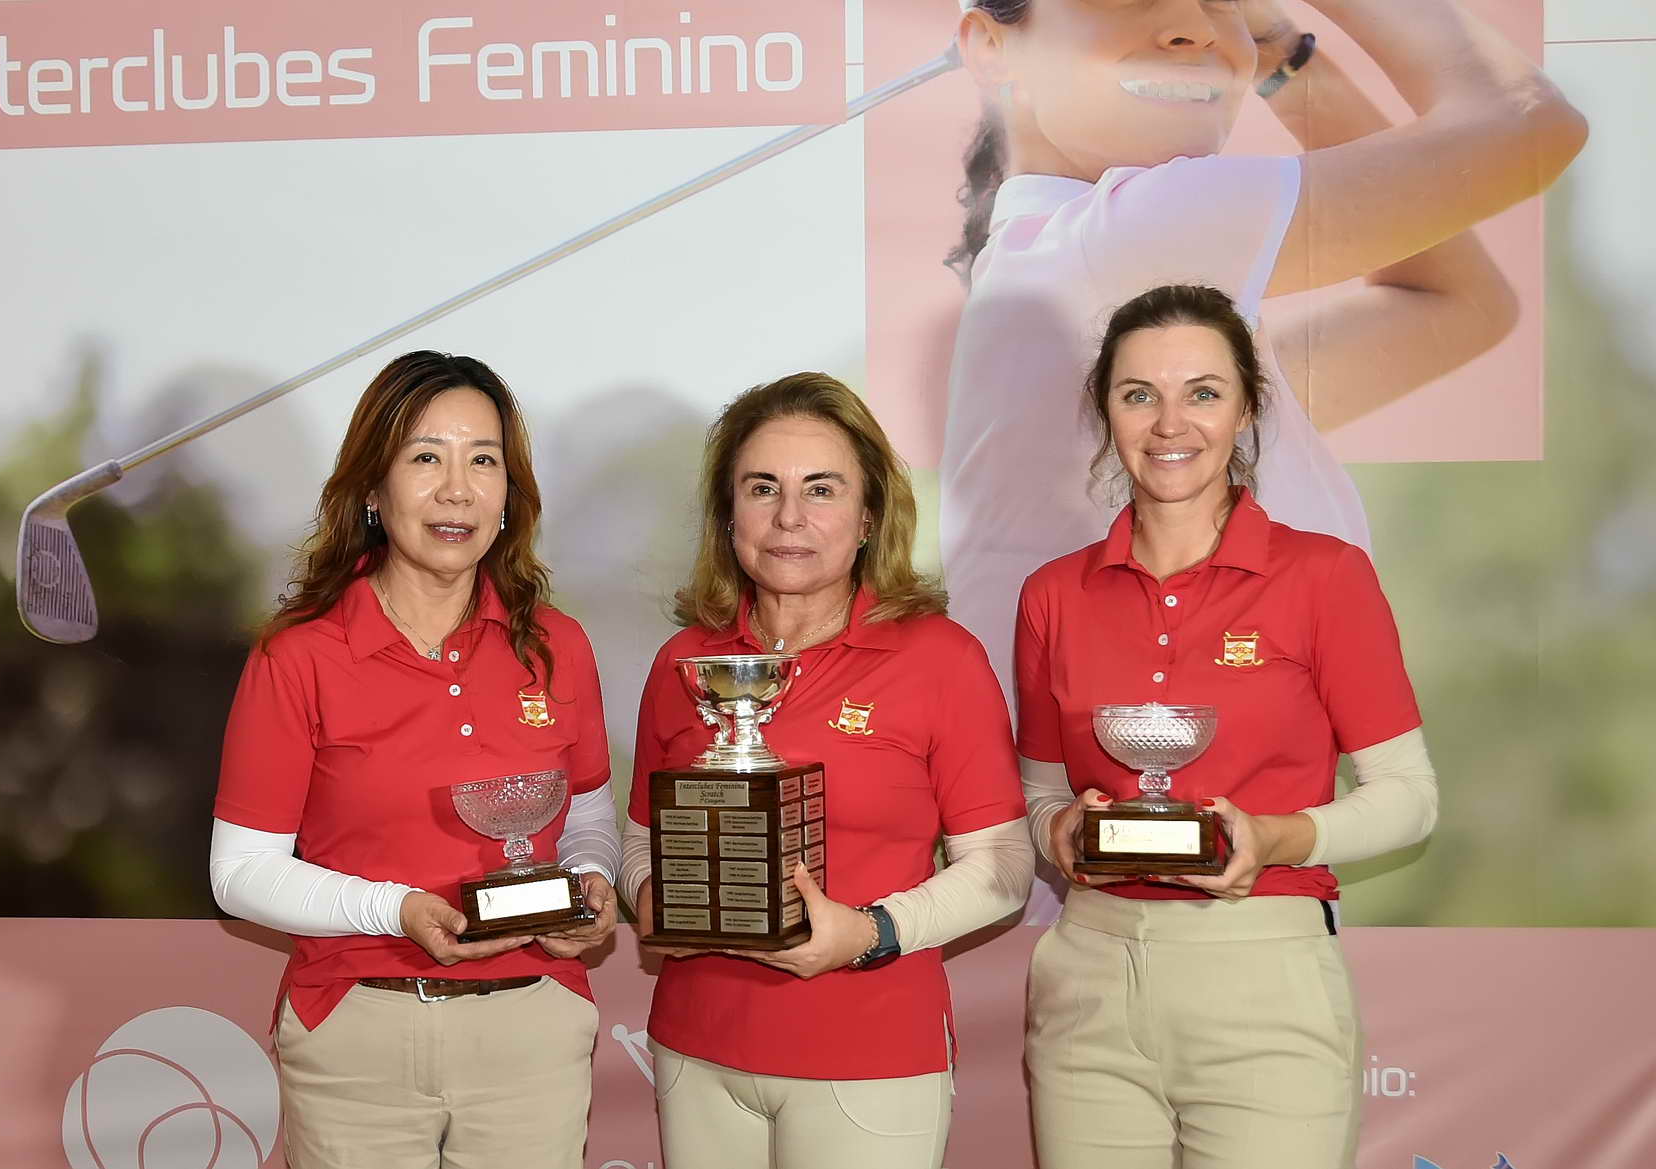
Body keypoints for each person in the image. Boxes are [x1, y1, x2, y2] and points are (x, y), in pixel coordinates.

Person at [942, 0, 1588, 701]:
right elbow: (1529, 125)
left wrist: (1284, 58)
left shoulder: (1080, 292)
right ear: (992, 46)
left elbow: (1458, 306)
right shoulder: (1125, 237)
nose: (1196, 25)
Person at [1015, 285, 1439, 1168]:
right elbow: (1040, 792)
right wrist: (1058, 829)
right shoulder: (1053, 593)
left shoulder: (1325, 576)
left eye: (1203, 392)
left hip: (1265, 976)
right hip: (1088, 979)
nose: (1171, 423)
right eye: (1139, 394)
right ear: (1105, 409)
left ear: (1247, 407)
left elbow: (1410, 798)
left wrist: (1275, 837)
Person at [209, 351, 619, 1169]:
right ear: (372, 486)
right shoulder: (300, 653)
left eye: (484, 461)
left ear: (510, 493)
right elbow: (241, 873)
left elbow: (587, 816)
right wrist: (395, 909)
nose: (457, 489)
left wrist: (590, 881)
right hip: (359, 1036)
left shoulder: (559, 645)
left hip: (532, 1031)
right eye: (426, 457)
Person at [618, 372, 1033, 1169]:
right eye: (762, 487)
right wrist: (655, 900)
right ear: (728, 513)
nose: (789, 517)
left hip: (868, 1055)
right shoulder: (686, 661)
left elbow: (1005, 867)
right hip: (697, 1051)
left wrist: (869, 933)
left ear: (869, 514)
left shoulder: (940, 658)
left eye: (821, 488)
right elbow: (642, 839)